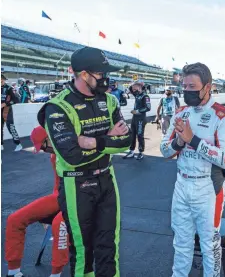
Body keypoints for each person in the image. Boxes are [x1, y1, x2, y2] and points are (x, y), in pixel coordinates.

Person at [37, 46, 131, 277]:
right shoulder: (57, 107)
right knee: (83, 251)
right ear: (82, 74)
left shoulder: (109, 101)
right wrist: (109, 139)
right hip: (76, 185)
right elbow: (73, 156)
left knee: (109, 246)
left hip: (107, 180)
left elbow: (127, 141)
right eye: (101, 73)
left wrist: (93, 142)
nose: (106, 78)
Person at [160, 63, 225, 277]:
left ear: (207, 87)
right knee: (181, 242)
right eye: (184, 86)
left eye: (192, 86)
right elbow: (164, 151)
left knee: (209, 245)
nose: (187, 91)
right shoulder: (181, 112)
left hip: (208, 188)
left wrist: (192, 140)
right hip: (182, 184)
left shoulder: (223, 116)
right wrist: (178, 143)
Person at [5, 126, 69, 277]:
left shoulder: (76, 151)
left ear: (50, 139)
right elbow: (57, 184)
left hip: (82, 199)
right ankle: (13, 272)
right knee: (14, 219)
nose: (44, 150)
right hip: (60, 197)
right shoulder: (54, 156)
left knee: (59, 223)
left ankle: (56, 273)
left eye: (43, 147)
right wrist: (46, 212)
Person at [123, 81, 151, 160]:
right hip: (134, 118)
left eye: (135, 87)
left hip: (141, 119)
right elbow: (130, 89)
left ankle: (141, 152)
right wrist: (133, 84)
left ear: (140, 87)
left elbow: (148, 108)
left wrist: (137, 111)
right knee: (132, 135)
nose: (133, 88)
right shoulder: (137, 95)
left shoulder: (145, 96)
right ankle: (131, 151)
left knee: (140, 135)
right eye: (133, 87)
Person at [1, 73, 22, 152]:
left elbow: (16, 100)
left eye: (2, 80)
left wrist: (5, 104)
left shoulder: (9, 88)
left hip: (7, 110)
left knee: (11, 127)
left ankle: (18, 144)